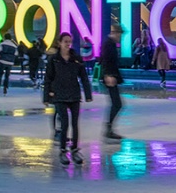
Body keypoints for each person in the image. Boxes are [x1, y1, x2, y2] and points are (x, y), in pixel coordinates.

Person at [44, 32, 93, 165]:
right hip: (59, 95)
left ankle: (75, 149)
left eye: (69, 41)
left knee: (75, 124)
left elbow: (83, 77)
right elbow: (48, 78)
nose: (67, 44)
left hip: (74, 95)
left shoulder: (76, 58)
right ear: (59, 43)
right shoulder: (54, 59)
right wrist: (47, 96)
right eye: (65, 41)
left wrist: (88, 94)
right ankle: (62, 150)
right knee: (64, 123)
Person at [100, 24, 124, 141]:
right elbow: (106, 61)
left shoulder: (111, 44)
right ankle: (108, 128)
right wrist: (108, 75)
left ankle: (109, 128)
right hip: (110, 77)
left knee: (116, 103)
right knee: (117, 103)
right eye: (120, 34)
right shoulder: (108, 44)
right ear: (116, 33)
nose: (120, 37)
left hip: (111, 76)